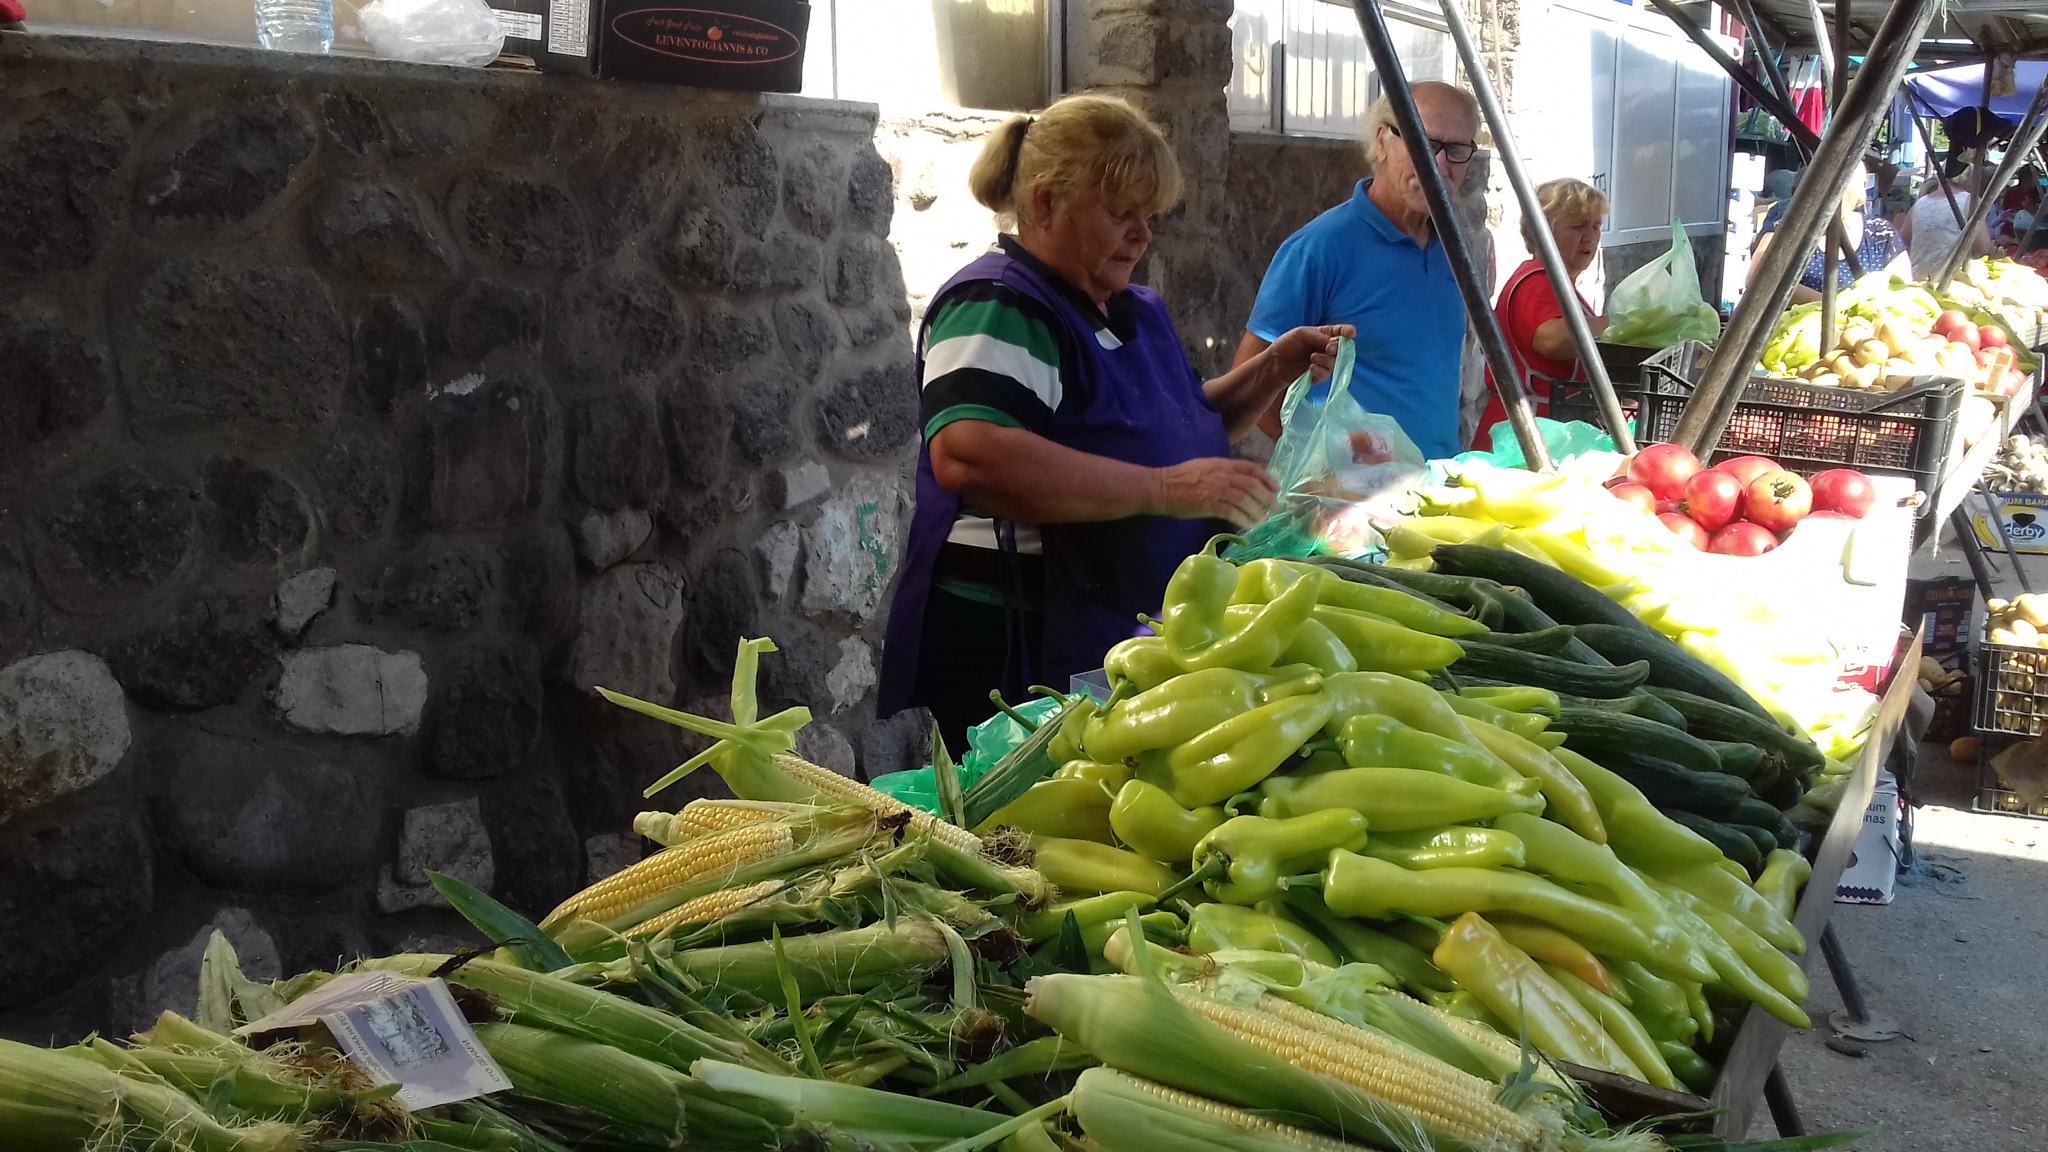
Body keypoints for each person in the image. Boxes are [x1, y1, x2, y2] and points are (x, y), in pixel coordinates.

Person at [876, 95, 1351, 752]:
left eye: (1149, 216)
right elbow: (971, 453)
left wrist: (1273, 368)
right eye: (1121, 214)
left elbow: (1182, 426)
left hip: (1112, 621)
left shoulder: (1128, 305)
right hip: (1018, 635)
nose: (1143, 235)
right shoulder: (1000, 303)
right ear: (1045, 205)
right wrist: (1165, 490)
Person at [1233, 81, 1483, 461]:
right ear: (1382, 142)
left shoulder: (1454, 247)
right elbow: (1249, 381)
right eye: (1423, 143)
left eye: (1456, 150)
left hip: (1435, 493)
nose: (1439, 165)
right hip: (1355, 505)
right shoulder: (1320, 248)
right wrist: (1323, 468)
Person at [1473, 178, 1610, 450]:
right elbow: (1552, 340)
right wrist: (1619, 324)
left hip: (1544, 431)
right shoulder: (1536, 282)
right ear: (1540, 232)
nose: (1590, 237)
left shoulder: (1561, 285)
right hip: (1525, 436)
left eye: (1596, 227)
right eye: (1577, 227)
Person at [1748, 170, 1908, 304]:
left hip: (1865, 333)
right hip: (1801, 329)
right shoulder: (1790, 225)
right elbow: (1757, 278)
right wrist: (1834, 307)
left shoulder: (1881, 233)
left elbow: (1903, 292)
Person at [1900, 172, 1994, 276]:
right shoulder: (1971, 201)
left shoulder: (1919, 204)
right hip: (1955, 279)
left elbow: (1901, 242)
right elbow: (1983, 248)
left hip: (1919, 278)